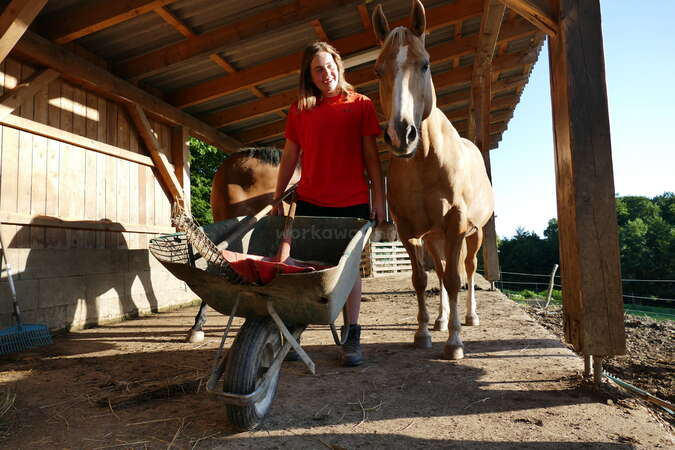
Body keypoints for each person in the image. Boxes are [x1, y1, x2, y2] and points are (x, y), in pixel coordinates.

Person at [273, 41, 385, 366]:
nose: (326, 74)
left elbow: (372, 158)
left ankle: (352, 335)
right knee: (305, 268)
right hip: (311, 200)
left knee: (349, 272)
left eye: (329, 65)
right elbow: (290, 156)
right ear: (309, 76)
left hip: (352, 203)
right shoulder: (300, 109)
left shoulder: (361, 104)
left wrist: (379, 197)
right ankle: (295, 331)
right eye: (318, 69)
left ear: (339, 64)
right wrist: (277, 196)